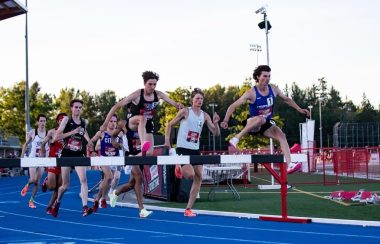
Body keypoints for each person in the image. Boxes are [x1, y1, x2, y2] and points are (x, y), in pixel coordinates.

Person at [220, 65, 310, 174]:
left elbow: (286, 99)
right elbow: (233, 106)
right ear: (258, 77)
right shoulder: (251, 92)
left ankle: (289, 164)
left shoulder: (274, 89)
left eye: (269, 76)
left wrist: (299, 109)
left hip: (265, 124)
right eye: (264, 76)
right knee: (261, 119)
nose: (267, 79)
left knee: (282, 135)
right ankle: (236, 138)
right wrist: (225, 120)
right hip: (253, 123)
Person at [165, 88, 220, 217]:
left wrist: (216, 123)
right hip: (183, 149)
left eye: (201, 99)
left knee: (199, 177)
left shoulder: (205, 115)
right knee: (190, 175)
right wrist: (167, 141)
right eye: (197, 99)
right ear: (192, 100)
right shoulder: (185, 111)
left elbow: (215, 133)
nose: (199, 101)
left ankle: (188, 209)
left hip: (195, 149)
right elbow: (170, 124)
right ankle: (178, 166)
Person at [101, 71, 184, 157]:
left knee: (149, 153)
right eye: (150, 84)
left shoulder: (159, 94)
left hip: (147, 124)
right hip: (133, 122)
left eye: (154, 85)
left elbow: (174, 103)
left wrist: (178, 105)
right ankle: (142, 142)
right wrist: (105, 124)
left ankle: (132, 159)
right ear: (144, 84)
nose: (152, 87)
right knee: (142, 119)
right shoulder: (137, 94)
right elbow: (116, 106)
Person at [50, 99, 95, 217]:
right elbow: (56, 137)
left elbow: (83, 132)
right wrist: (72, 132)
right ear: (71, 108)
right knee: (65, 186)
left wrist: (89, 141)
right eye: (76, 107)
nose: (78, 109)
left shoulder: (84, 121)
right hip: (66, 154)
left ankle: (85, 207)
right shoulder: (66, 120)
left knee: (84, 180)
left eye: (80, 107)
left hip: (78, 154)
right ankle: (57, 203)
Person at [108, 108, 153, 218]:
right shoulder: (124, 123)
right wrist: (114, 142)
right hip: (129, 156)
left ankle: (116, 193)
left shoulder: (146, 124)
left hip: (140, 156)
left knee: (132, 184)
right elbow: (113, 135)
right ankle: (142, 210)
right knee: (139, 178)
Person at [90, 114, 122, 212]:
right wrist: (92, 152)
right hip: (104, 158)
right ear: (107, 122)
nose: (112, 123)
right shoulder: (101, 133)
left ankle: (97, 200)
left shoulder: (119, 133)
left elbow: (121, 145)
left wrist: (118, 144)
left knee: (107, 182)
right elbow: (91, 142)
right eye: (111, 121)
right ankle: (103, 199)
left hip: (114, 159)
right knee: (109, 177)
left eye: (114, 121)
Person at [40, 113, 67, 214]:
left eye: (64, 120)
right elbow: (43, 143)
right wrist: (43, 158)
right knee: (51, 187)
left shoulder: (69, 134)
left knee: (59, 187)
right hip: (52, 161)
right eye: (61, 120)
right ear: (58, 121)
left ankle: (50, 206)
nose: (62, 122)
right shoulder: (52, 132)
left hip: (63, 162)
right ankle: (46, 181)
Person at [20, 114, 48, 208]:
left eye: (44, 121)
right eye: (41, 121)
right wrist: (22, 158)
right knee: (33, 179)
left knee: (37, 182)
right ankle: (27, 185)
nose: (42, 123)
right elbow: (25, 145)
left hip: (42, 161)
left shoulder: (48, 134)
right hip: (32, 159)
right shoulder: (33, 132)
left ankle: (31, 201)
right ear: (37, 122)